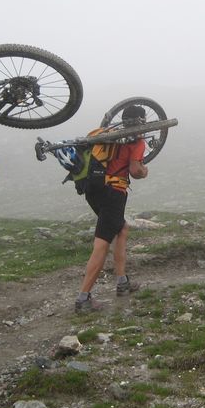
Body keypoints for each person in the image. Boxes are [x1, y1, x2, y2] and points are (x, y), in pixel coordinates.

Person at [75, 105, 149, 312]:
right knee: (102, 243)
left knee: (121, 229)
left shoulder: (107, 134)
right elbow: (134, 171)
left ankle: (122, 282)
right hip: (113, 192)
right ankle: (83, 298)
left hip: (93, 189)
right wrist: (144, 171)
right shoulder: (136, 141)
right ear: (141, 121)